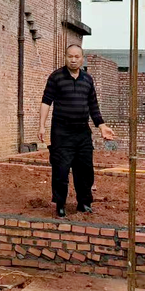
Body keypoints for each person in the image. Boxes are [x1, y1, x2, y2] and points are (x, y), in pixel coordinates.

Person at [39, 44, 116, 218]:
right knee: (61, 169)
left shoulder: (87, 79)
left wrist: (102, 126)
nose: (73, 60)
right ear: (65, 57)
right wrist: (41, 126)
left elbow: (93, 106)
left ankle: (84, 203)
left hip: (82, 133)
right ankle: (60, 204)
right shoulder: (56, 77)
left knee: (85, 170)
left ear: (82, 58)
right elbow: (46, 102)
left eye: (77, 57)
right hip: (61, 132)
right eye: (70, 56)